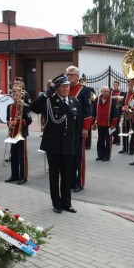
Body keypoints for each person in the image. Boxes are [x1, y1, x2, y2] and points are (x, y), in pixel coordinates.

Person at [30, 74, 78, 214]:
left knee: (67, 175)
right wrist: (46, 94)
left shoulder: (74, 102)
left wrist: (77, 142)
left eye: (68, 86)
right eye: (63, 86)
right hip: (53, 145)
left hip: (68, 145)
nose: (66, 88)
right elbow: (33, 107)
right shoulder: (49, 101)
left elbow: (77, 124)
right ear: (56, 88)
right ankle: (56, 203)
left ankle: (66, 203)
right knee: (54, 175)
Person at [66, 66, 93, 192]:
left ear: (77, 76)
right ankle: (70, 181)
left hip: (79, 128)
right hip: (67, 128)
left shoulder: (85, 90)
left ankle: (79, 182)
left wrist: (85, 128)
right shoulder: (65, 89)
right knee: (69, 156)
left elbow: (88, 110)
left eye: (71, 74)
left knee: (78, 157)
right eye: (68, 74)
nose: (69, 76)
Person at [5, 87, 32, 185]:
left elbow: (29, 120)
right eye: (14, 95)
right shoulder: (10, 106)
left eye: (17, 95)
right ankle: (14, 175)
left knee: (22, 156)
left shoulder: (25, 106)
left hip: (21, 134)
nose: (15, 97)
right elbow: (7, 119)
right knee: (14, 155)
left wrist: (18, 122)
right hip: (13, 134)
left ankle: (23, 176)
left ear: (21, 95)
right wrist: (10, 123)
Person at [92, 86, 119, 161]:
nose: (106, 93)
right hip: (100, 124)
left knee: (108, 140)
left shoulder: (113, 100)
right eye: (105, 91)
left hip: (110, 125)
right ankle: (100, 155)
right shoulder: (97, 99)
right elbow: (94, 112)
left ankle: (107, 156)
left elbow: (116, 114)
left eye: (107, 91)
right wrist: (93, 123)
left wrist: (113, 125)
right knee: (100, 140)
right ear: (101, 92)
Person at [111, 80, 123, 146]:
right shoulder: (110, 92)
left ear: (118, 86)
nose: (115, 86)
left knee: (117, 125)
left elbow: (123, 100)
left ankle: (118, 140)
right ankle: (113, 139)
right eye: (114, 85)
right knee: (111, 125)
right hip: (111, 111)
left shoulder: (121, 93)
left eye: (116, 85)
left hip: (118, 111)